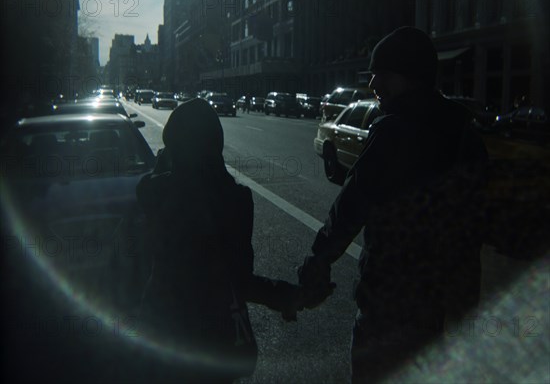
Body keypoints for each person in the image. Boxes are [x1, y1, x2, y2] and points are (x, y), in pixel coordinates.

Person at [297, 27, 488, 383]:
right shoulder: (465, 134)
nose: (373, 84)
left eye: (381, 74)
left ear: (410, 77)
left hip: (389, 303)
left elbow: (352, 205)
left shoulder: (395, 132)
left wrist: (318, 259)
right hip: (438, 306)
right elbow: (475, 224)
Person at [136, 98, 303, 383]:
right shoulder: (237, 199)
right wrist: (282, 294)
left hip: (167, 335)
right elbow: (238, 277)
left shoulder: (156, 191)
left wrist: (165, 162)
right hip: (221, 337)